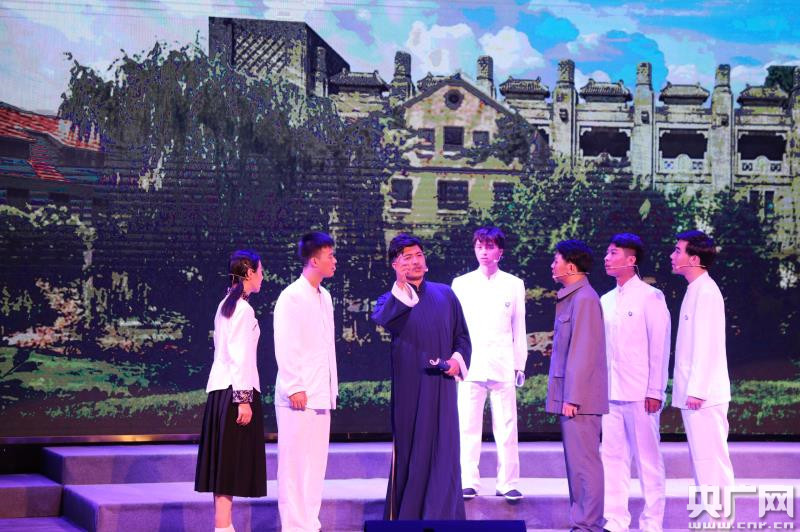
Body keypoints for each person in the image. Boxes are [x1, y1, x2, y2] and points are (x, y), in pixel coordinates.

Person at [371, 233, 471, 520]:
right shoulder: (390, 300)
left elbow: (462, 337)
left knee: (445, 452)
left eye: (418, 255)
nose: (415, 261)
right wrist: (402, 285)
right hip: (411, 389)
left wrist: (457, 361)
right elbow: (385, 318)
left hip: (442, 387)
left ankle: (445, 519)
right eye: (407, 258)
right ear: (395, 265)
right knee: (412, 451)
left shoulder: (446, 294)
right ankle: (409, 519)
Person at [600, 233, 670, 532]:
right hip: (610, 393)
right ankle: (615, 520)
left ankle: (652, 523)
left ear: (631, 259)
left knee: (647, 462)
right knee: (612, 459)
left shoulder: (651, 297)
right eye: (607, 253)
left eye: (613, 253)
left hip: (641, 394)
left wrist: (655, 390)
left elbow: (660, 347)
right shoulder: (605, 300)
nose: (607, 258)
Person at [451, 226, 527, 502]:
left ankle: (508, 482)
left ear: (500, 251)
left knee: (507, 428)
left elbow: (519, 327)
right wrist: (456, 360)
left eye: (489, 246)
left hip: (503, 364)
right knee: (467, 427)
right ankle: (468, 480)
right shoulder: (461, 284)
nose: (484, 252)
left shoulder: (514, 284)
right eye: (479, 246)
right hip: (470, 366)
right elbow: (455, 328)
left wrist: (519, 364)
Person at [195, 249, 267, 532]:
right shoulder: (243, 309)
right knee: (228, 465)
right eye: (260, 271)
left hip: (221, 391)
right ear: (249, 273)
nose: (263, 277)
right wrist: (244, 400)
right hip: (235, 392)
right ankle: (223, 527)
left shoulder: (226, 304)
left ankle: (223, 525)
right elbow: (240, 356)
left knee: (224, 465)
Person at [274, 232, 339, 532]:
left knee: (315, 466)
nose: (334, 261)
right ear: (314, 260)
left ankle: (310, 523)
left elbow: (325, 347)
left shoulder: (325, 296)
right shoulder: (291, 296)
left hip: (321, 393)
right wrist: (294, 386)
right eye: (330, 256)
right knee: (294, 467)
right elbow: (286, 343)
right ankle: (294, 526)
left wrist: (330, 389)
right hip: (298, 395)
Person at [546, 239, 608, 532]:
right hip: (572, 398)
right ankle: (583, 522)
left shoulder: (584, 298)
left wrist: (573, 397)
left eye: (556, 260)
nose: (552, 266)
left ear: (570, 266)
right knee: (577, 464)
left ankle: (589, 525)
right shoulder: (574, 297)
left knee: (584, 464)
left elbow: (583, 352)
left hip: (579, 400)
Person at [670, 230, 734, 490]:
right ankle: (709, 515)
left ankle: (719, 516)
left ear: (694, 259)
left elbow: (708, 344)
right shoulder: (695, 289)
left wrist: (697, 390)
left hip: (703, 396)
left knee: (711, 463)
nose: (672, 256)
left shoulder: (706, 292)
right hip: (696, 394)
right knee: (703, 463)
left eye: (678, 251)